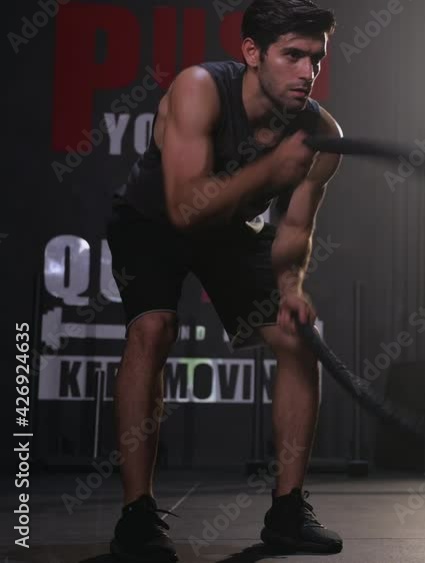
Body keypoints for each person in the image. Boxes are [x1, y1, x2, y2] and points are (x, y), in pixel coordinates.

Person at [104, 0, 343, 560]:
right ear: (252, 53)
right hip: (153, 221)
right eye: (292, 56)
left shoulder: (321, 133)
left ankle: (287, 511)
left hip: (228, 228)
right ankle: (137, 516)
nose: (307, 72)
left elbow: (294, 229)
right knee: (153, 330)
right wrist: (271, 169)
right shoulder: (198, 89)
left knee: (299, 338)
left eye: (316, 58)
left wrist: (291, 289)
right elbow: (185, 209)